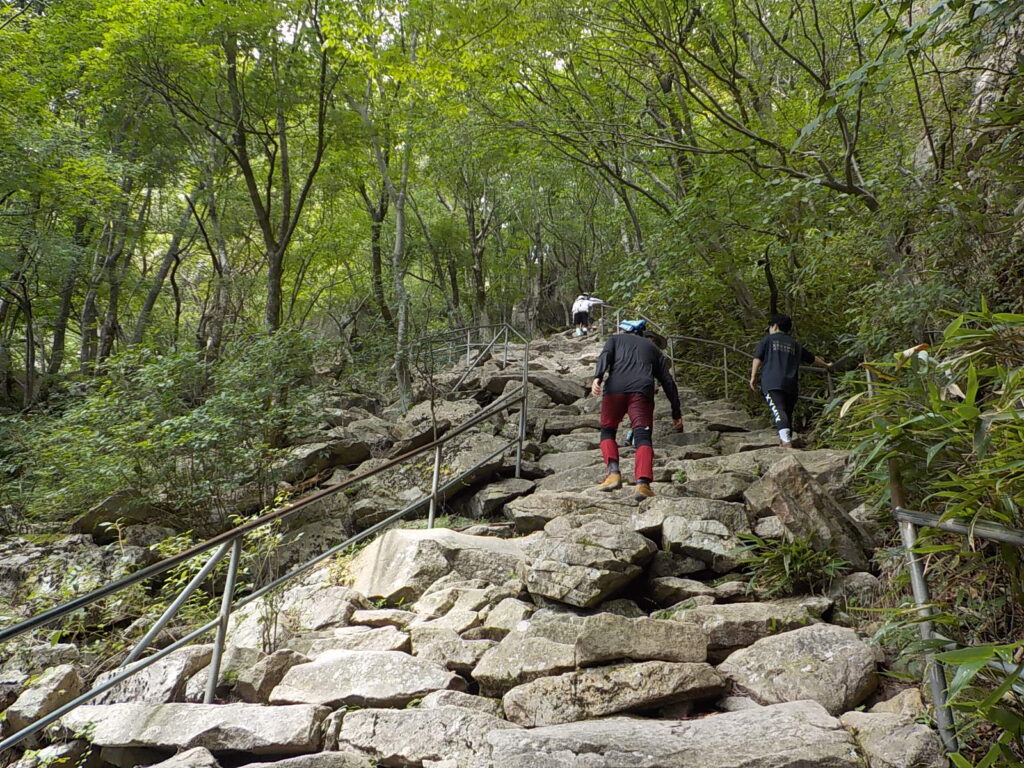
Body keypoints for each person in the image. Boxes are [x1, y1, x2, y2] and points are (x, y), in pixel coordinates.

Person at [591, 319, 684, 499]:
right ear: (643, 333)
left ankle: (613, 473)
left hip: (615, 389)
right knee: (642, 436)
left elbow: (605, 356)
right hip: (641, 391)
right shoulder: (654, 350)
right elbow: (668, 382)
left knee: (607, 431)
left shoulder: (614, 340)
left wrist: (598, 377)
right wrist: (676, 412)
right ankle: (642, 484)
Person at [749, 313, 831, 449]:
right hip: (790, 384)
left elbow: (758, 358)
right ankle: (784, 441)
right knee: (786, 412)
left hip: (772, 382)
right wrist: (826, 365)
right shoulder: (794, 344)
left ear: (774, 326)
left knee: (779, 410)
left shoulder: (768, 340)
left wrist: (753, 376)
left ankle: (786, 442)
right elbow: (811, 358)